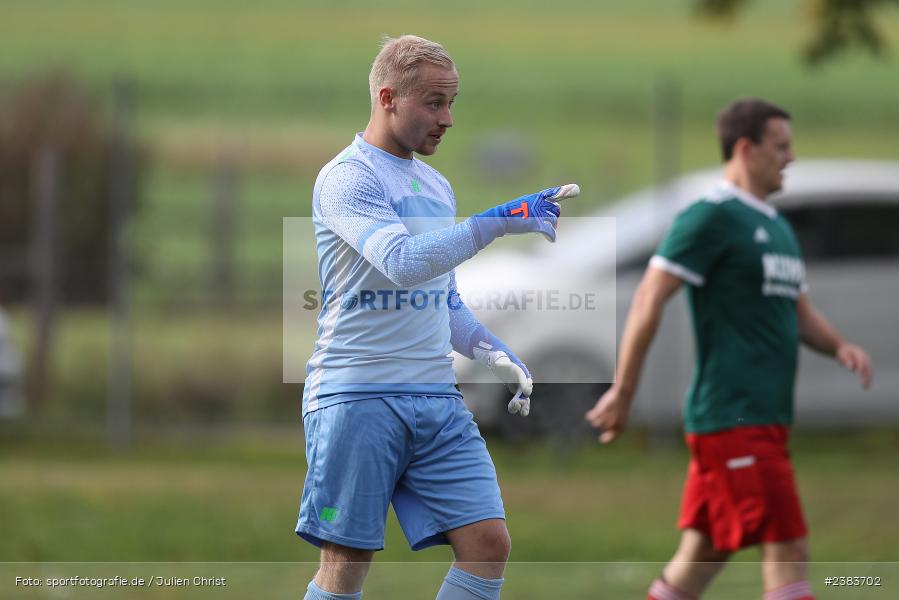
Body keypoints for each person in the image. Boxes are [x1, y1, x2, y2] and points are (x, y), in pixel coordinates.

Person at [298, 34, 577, 600]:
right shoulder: (348, 178)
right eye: (433, 102)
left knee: (488, 545)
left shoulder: (436, 184)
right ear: (388, 98)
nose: (447, 118)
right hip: (359, 397)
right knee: (347, 562)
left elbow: (442, 301)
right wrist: (498, 221)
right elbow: (402, 263)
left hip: (437, 400)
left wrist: (494, 353)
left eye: (452, 102)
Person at [585, 97, 873, 600]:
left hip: (763, 418)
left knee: (704, 554)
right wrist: (624, 390)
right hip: (733, 420)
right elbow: (650, 297)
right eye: (780, 147)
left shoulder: (779, 228)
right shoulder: (710, 217)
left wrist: (841, 347)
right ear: (745, 148)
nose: (791, 158)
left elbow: (799, 313)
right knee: (789, 549)